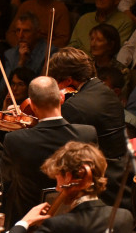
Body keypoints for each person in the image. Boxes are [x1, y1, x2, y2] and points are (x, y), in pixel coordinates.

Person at [0, 77, 98, 225]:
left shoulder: (15, 140)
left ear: (32, 105)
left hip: (30, 220)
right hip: (74, 218)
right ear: (62, 98)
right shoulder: (87, 133)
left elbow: (4, 181)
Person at [47, 47, 130, 209]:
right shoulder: (105, 90)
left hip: (99, 181)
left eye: (55, 82)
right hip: (121, 171)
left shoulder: (74, 106)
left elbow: (57, 143)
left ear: (69, 81)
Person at [9, 142, 134, 233]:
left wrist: (25, 222)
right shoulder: (124, 217)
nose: (58, 188)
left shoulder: (57, 226)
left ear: (68, 177)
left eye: (57, 178)